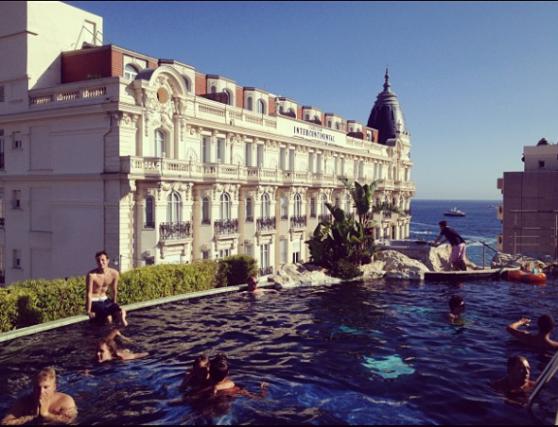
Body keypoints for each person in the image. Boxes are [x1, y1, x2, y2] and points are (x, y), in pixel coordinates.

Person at [1, 367, 77, 425]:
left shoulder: (65, 400)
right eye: (37, 387)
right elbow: (4, 423)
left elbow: (71, 420)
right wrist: (31, 417)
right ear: (33, 387)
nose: (41, 391)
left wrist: (46, 415)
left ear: (54, 387)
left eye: (46, 387)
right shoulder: (23, 402)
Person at [86, 250, 128, 326]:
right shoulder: (92, 275)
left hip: (105, 299)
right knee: (108, 318)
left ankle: (123, 325)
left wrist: (114, 303)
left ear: (108, 260)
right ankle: (112, 331)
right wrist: (88, 310)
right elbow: (89, 293)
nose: (100, 262)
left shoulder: (114, 273)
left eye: (103, 260)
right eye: (98, 261)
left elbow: (114, 290)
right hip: (94, 301)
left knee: (120, 311)